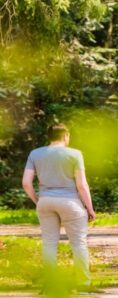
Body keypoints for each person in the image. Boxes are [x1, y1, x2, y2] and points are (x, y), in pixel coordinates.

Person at [22, 123, 96, 289]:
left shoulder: (35, 153)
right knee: (78, 243)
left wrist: (38, 200)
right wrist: (89, 208)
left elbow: (26, 183)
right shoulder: (75, 154)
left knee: (49, 243)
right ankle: (83, 284)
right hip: (70, 202)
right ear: (66, 136)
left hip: (45, 201)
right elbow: (82, 185)